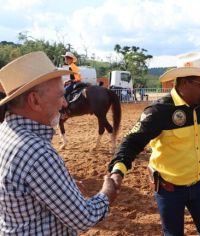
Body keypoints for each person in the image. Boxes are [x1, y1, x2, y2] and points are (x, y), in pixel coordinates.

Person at [108, 52, 200, 235]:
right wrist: (118, 171)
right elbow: (131, 142)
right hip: (169, 189)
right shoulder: (160, 111)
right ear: (184, 83)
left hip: (199, 185)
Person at [0, 51, 118, 235]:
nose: (64, 104)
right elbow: (84, 219)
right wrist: (107, 192)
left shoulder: (4, 133)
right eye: (60, 96)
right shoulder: (38, 154)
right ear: (34, 100)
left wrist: (64, 187)